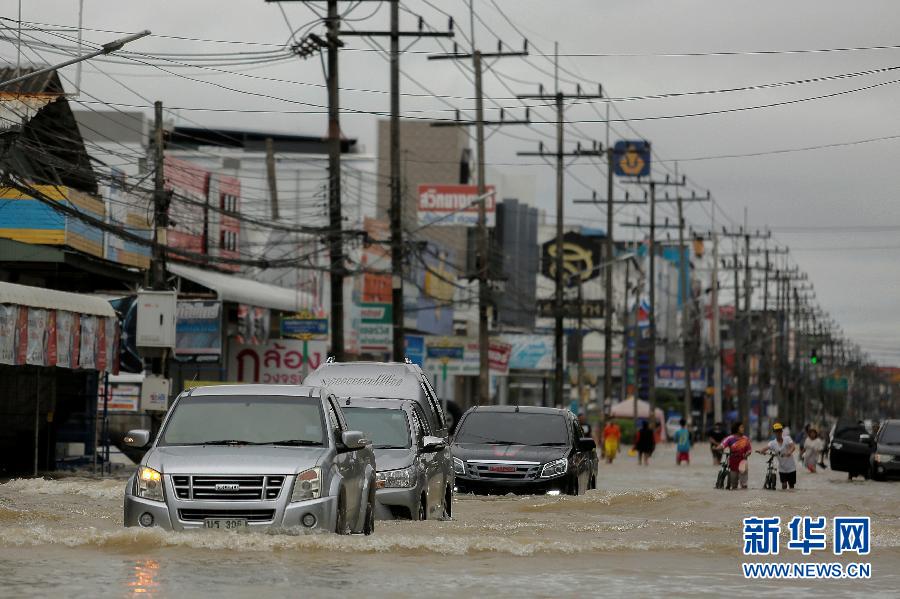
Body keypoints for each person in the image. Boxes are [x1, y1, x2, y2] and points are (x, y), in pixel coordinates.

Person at [756, 422, 797, 490]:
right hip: (782, 468)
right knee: (784, 485)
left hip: (791, 467)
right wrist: (761, 451)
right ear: (774, 432)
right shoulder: (773, 443)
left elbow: (793, 446)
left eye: (779, 431)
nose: (778, 433)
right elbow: (765, 448)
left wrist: (789, 452)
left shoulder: (787, 439)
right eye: (776, 431)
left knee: (791, 487)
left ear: (782, 431)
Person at [720, 421, 752, 490]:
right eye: (741, 427)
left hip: (743, 463)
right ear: (737, 429)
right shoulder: (730, 438)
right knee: (734, 486)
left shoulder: (746, 439)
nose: (743, 429)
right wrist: (716, 448)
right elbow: (722, 445)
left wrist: (748, 453)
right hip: (733, 463)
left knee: (744, 486)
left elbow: (749, 450)